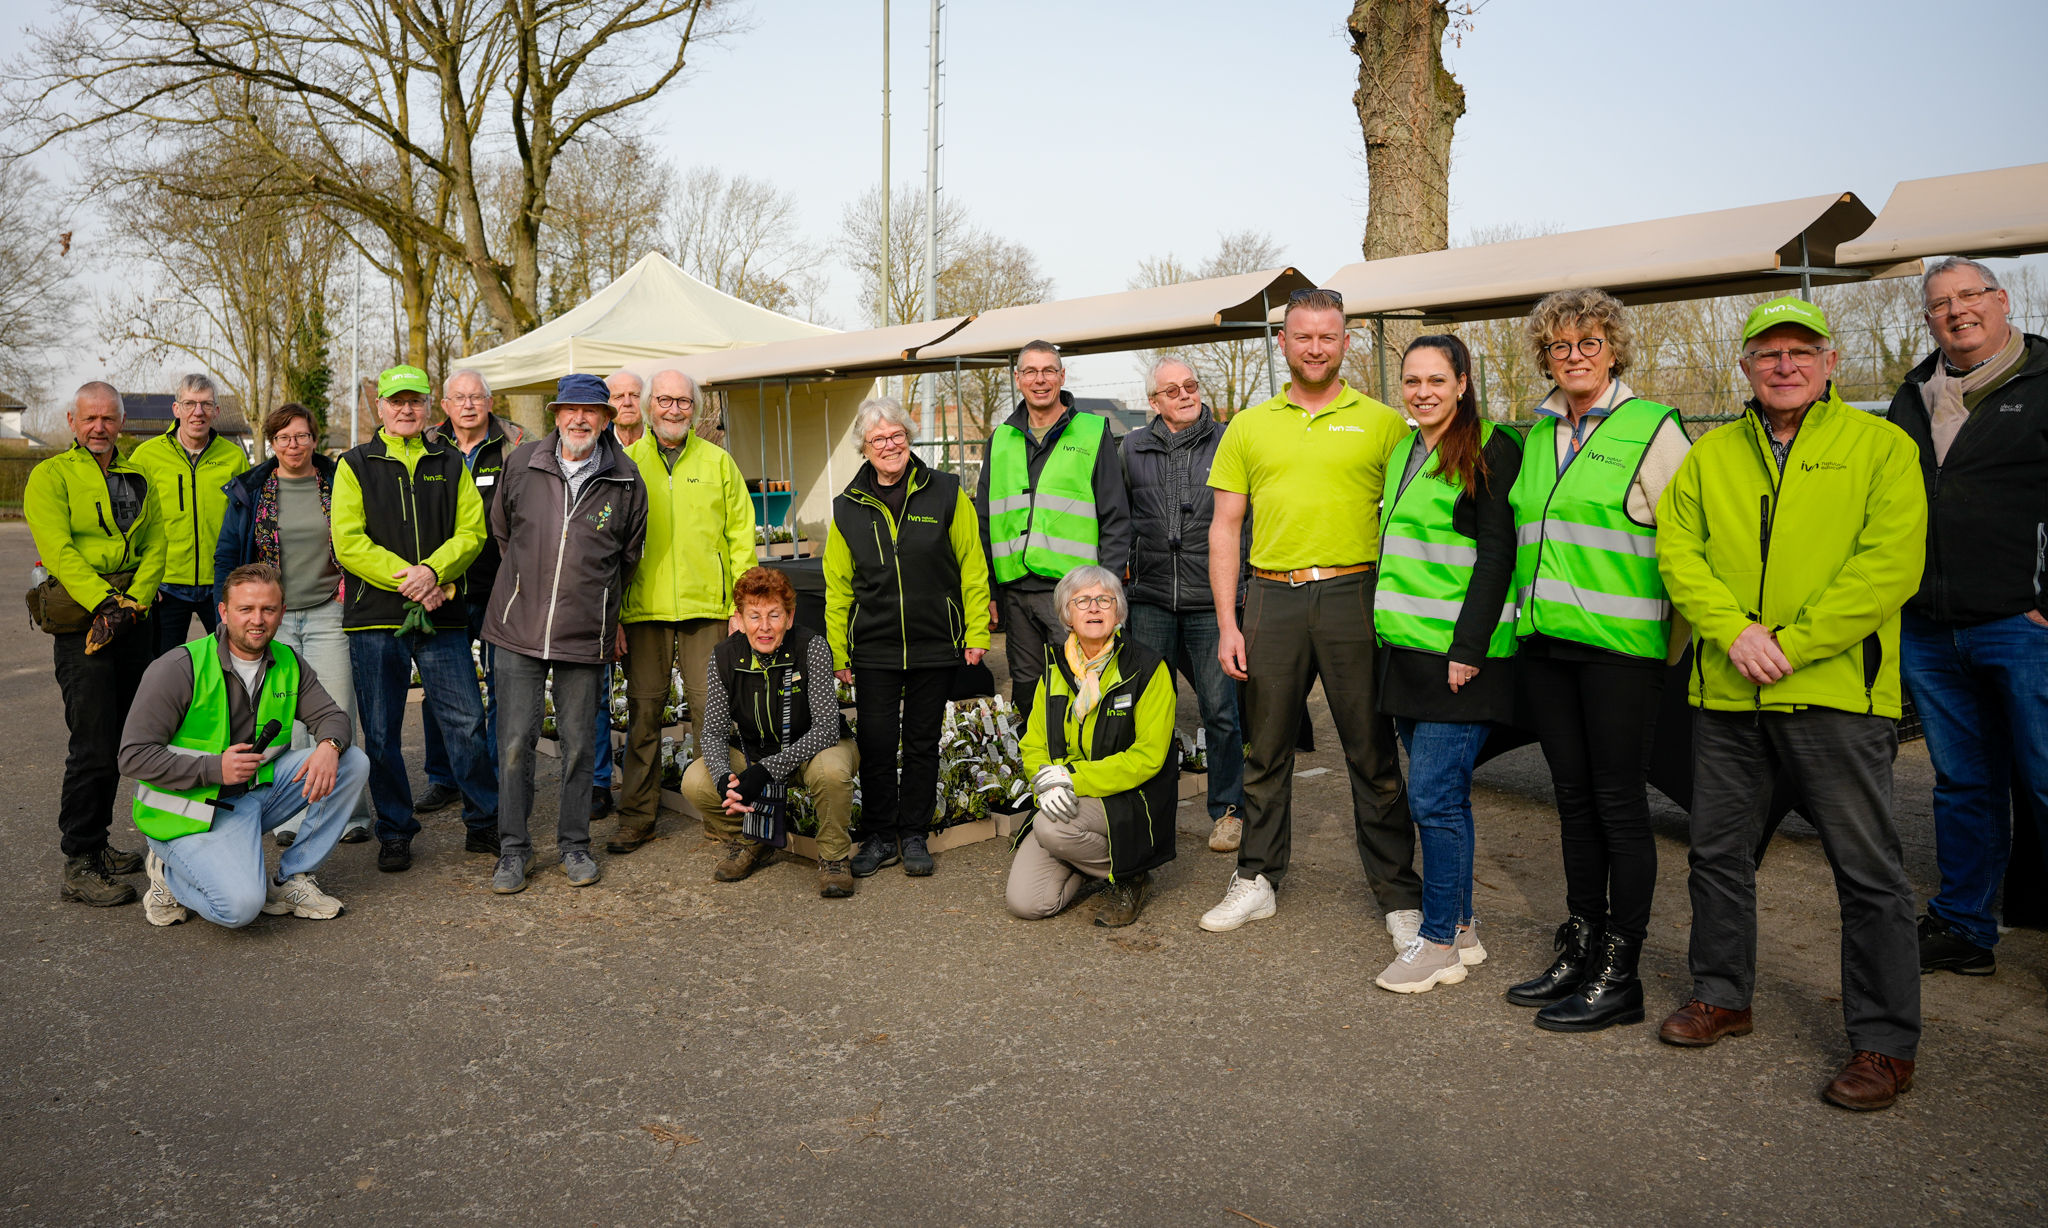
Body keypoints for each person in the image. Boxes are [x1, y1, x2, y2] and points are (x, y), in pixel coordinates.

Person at [1656, 296, 1927, 1112]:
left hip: (1838, 693)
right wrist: (1735, 632)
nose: (1784, 365)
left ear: (1830, 362)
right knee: (1717, 855)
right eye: (1767, 352)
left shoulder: (1881, 447)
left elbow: (1889, 567)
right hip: (1729, 692)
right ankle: (1722, 995)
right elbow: (1679, 553)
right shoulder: (1709, 457)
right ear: (1743, 367)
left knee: (1869, 874)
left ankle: (1883, 1044)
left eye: (1799, 352)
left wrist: (1793, 643)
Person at [1199, 289, 1421, 940]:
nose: (1317, 347)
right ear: (1283, 342)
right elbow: (1223, 529)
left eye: (1329, 336)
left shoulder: (1383, 423)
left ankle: (1399, 895)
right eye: (1304, 337)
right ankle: (1257, 879)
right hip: (1272, 596)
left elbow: (1416, 520)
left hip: (1358, 594)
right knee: (1265, 751)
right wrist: (1229, 623)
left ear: (1346, 341)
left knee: (1372, 754)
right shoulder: (1248, 425)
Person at [1501, 288, 1691, 1031]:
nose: (1574, 357)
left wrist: (1665, 648)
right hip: (1547, 647)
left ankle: (1621, 970)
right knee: (1573, 803)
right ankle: (1579, 943)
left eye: (1588, 343)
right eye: (1559, 346)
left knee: (1618, 807)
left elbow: (1688, 544)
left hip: (1620, 654)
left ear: (1614, 350)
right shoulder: (1540, 433)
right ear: (1544, 356)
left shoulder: (1653, 429)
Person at [1885, 257, 2048, 979]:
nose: (1957, 311)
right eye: (1941, 303)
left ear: (2002, 300)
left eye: (1970, 296)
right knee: (1963, 784)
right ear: (1928, 319)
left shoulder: (2042, 382)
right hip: (1929, 624)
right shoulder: (1912, 396)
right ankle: (1963, 925)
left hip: (2024, 624)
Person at [1371, 336, 1523, 994]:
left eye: (1437, 379)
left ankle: (1435, 942)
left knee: (1433, 799)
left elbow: (1498, 554)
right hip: (1406, 653)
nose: (1423, 391)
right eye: (1412, 380)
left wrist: (1469, 647)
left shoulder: (1492, 448)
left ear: (1463, 382)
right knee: (1445, 799)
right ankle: (1460, 927)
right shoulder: (1407, 448)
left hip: (1458, 658)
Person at [118, 563, 370, 928]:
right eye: (246, 609)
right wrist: (213, 768)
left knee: (352, 761)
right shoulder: (177, 667)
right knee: (238, 910)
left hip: (252, 796)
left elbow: (333, 717)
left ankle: (292, 879)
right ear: (223, 612)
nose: (258, 619)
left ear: (282, 613)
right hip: (186, 813)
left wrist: (329, 746)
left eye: (268, 609)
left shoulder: (288, 663)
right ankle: (167, 870)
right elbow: (131, 756)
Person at [483, 375, 648, 893]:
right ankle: (513, 850)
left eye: (591, 411)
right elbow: (503, 532)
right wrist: (526, 590)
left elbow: (629, 555)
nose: (580, 419)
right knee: (514, 744)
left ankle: (575, 845)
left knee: (578, 746)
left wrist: (596, 603)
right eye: (570, 409)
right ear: (556, 414)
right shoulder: (522, 461)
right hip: (518, 625)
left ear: (606, 419)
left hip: (584, 632)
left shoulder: (626, 478)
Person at [331, 364, 499, 873]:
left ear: (428, 407)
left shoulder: (448, 461)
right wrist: (410, 578)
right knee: (380, 733)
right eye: (396, 401)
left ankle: (484, 821)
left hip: (441, 615)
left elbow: (473, 532)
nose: (407, 409)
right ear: (378, 407)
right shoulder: (354, 464)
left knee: (466, 722)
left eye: (416, 401)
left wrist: (434, 571)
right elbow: (348, 540)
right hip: (377, 617)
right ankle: (395, 830)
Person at [824, 396, 991, 879]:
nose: (889, 445)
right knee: (876, 742)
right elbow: (837, 586)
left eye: (896, 435)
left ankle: (914, 833)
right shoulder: (847, 507)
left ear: (909, 437)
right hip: (873, 648)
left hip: (935, 641)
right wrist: (839, 648)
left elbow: (972, 567)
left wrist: (976, 629)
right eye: (878, 439)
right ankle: (879, 836)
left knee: (921, 740)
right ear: (864, 448)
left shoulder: (946, 492)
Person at [25, 381, 166, 906]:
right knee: (91, 746)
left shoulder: (137, 472)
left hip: (130, 618)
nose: (99, 427)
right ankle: (79, 861)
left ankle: (101, 845)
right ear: (72, 421)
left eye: (108, 418)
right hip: (83, 619)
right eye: (90, 419)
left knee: (129, 737)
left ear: (121, 422)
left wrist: (135, 603)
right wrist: (107, 602)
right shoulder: (50, 475)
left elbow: (158, 543)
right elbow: (58, 550)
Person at [611, 368, 757, 855]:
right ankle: (637, 817)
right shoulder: (626, 463)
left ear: (695, 409)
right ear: (649, 406)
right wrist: (612, 613)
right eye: (665, 401)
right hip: (644, 611)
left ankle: (724, 817)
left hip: (707, 610)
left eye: (684, 402)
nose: (674, 410)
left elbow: (741, 537)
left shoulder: (718, 463)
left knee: (711, 716)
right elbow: (607, 544)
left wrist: (743, 606)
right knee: (643, 715)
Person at [213, 403, 374, 846]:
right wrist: (226, 616)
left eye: (301, 436)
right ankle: (291, 813)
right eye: (283, 437)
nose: (293, 445)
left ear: (314, 439)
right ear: (272, 443)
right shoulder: (251, 490)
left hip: (328, 611)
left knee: (335, 712)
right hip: (274, 617)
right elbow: (228, 555)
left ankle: (348, 813)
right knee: (286, 719)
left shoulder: (340, 481)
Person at [1121, 356, 1250, 854]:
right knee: (1150, 709)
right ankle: (1149, 806)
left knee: (1220, 709)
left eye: (1190, 386)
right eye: (1170, 390)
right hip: (1149, 598)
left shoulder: (1229, 440)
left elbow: (1248, 517)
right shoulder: (1130, 447)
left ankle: (1228, 810)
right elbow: (1118, 516)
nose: (1183, 394)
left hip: (1209, 599)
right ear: (1153, 402)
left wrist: (1243, 583)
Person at [1006, 566, 1177, 927]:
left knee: (1052, 830)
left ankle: (1132, 875)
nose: (1094, 608)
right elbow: (1033, 743)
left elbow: (1147, 757)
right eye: (1082, 601)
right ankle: (1088, 860)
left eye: (1104, 600)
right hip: (1069, 791)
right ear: (1066, 614)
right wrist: (1046, 781)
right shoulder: (1054, 669)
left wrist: (1071, 778)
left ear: (1119, 612)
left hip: (1129, 797)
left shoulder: (1147, 669)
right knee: (1027, 903)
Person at [975, 340, 1132, 720]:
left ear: (1062, 376)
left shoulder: (1093, 432)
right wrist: (990, 591)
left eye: (1048, 371)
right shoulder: (1000, 438)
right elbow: (984, 521)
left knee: (1081, 681)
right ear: (1018, 379)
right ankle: (1037, 769)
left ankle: (1084, 768)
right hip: (1015, 589)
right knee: (1026, 687)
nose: (1040, 380)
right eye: (1030, 371)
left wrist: (1103, 593)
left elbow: (1115, 517)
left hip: (1075, 592)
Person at [680, 567, 860, 898]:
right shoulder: (724, 656)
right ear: (740, 618)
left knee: (832, 770)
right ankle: (752, 841)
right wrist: (724, 780)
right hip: (753, 751)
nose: (764, 627)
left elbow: (826, 728)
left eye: (774, 615)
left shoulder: (812, 647)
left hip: (812, 751)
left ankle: (834, 857)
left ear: (789, 618)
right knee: (695, 780)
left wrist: (765, 771)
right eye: (754, 616)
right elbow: (714, 733)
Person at [417, 369, 524, 817]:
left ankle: (495, 776)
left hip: (501, 587)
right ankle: (443, 776)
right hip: (444, 589)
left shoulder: (516, 445)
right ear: (444, 405)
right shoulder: (424, 446)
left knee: (505, 685)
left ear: (489, 402)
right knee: (441, 688)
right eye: (458, 397)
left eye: (476, 397)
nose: (468, 405)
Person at [129, 373, 249, 657]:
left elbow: (248, 521)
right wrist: (142, 576)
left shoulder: (234, 458)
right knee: (162, 669)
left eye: (206, 404)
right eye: (190, 403)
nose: (198, 412)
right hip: (165, 587)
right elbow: (130, 522)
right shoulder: (145, 457)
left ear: (216, 411)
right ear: (176, 409)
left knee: (234, 663)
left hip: (221, 585)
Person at [608, 368, 647, 448]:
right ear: (608, 404)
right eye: (618, 397)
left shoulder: (662, 441)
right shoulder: (596, 444)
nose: (627, 403)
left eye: (635, 395)